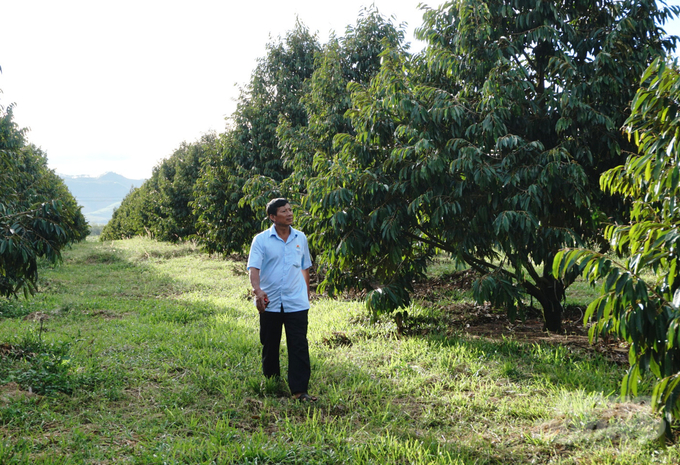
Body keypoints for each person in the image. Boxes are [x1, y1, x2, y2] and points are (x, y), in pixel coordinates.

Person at [246, 198, 317, 402]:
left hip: (296, 301)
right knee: (270, 343)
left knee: (299, 345)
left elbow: (304, 267)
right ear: (272, 217)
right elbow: (254, 268)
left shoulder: (300, 238)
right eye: (284, 211)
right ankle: (272, 381)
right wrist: (257, 291)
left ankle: (299, 390)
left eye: (290, 210)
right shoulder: (261, 240)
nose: (289, 213)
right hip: (270, 302)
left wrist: (306, 293)